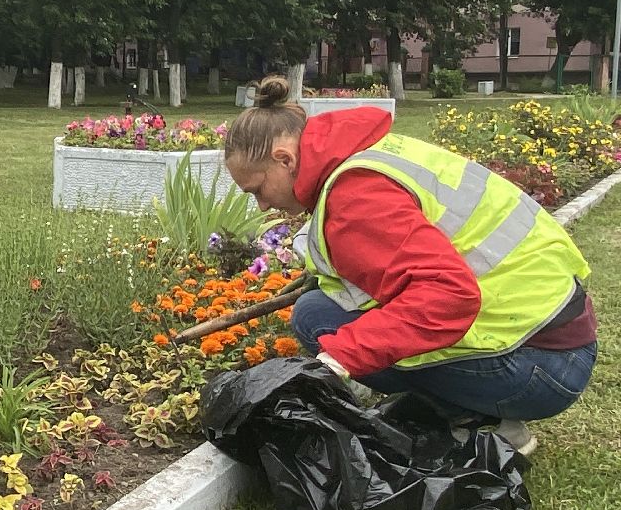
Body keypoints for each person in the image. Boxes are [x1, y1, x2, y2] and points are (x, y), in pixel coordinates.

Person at [223, 74, 597, 457]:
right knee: (320, 307)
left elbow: (449, 296)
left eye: (257, 190)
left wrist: (338, 360)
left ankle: (484, 423)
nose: (262, 206)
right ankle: (474, 407)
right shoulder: (362, 153)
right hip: (554, 336)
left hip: (540, 368)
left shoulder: (356, 197)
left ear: (284, 160)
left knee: (320, 322)